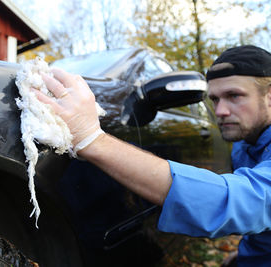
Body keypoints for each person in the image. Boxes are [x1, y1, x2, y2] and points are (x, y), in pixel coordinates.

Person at [34, 45, 271, 266]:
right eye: (215, 99)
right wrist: (247, 254)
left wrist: (92, 139)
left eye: (235, 96)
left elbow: (240, 201)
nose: (220, 111)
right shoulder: (247, 141)